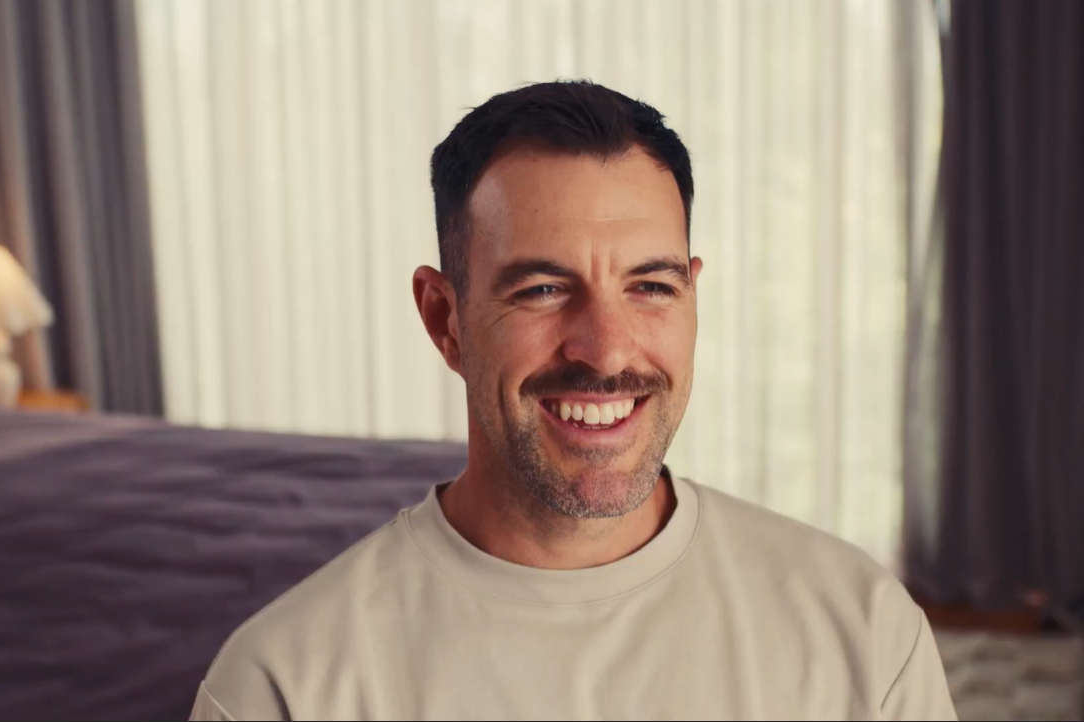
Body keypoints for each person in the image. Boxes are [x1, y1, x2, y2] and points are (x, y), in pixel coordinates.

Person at [190, 80, 957, 721]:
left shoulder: (859, 627)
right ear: (444, 320)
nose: (607, 351)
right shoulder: (283, 686)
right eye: (542, 290)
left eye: (649, 287)